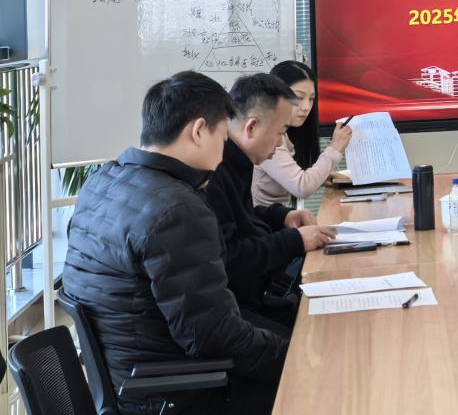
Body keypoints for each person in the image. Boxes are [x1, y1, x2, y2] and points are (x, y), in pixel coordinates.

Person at [62, 72, 290, 415]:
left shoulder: (102, 183)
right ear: (198, 131)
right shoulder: (176, 208)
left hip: (130, 378)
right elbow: (214, 336)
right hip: (177, 393)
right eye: (221, 137)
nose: (223, 152)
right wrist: (294, 357)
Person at [206, 73, 336, 323]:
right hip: (239, 310)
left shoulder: (236, 161)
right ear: (251, 127)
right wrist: (294, 241)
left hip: (256, 297)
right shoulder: (214, 173)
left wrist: (282, 216)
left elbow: (243, 218)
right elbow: (230, 259)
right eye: (280, 133)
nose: (280, 145)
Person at [253, 60, 352, 208]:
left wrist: (320, 177)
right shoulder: (268, 135)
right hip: (264, 221)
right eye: (299, 97)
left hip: (281, 218)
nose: (306, 107)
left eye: (311, 99)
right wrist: (335, 148)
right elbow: (301, 186)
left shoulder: (284, 132)